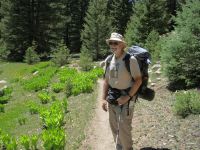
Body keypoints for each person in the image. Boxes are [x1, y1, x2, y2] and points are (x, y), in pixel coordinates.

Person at [101, 32, 142, 150]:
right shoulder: (109, 60)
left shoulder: (130, 60)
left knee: (124, 127)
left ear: (122, 45)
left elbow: (138, 81)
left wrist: (127, 97)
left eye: (116, 43)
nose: (113, 45)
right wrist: (103, 99)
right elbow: (106, 81)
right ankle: (119, 147)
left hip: (127, 98)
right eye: (111, 43)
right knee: (114, 126)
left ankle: (128, 148)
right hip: (113, 97)